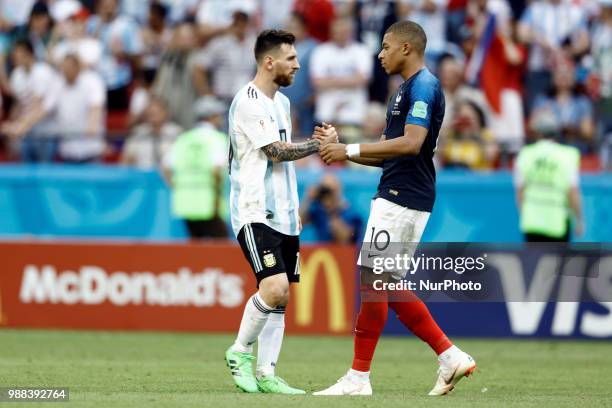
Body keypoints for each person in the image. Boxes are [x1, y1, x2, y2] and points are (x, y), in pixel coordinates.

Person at [314, 21, 475, 396]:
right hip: (400, 192)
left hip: (404, 197)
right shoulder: (404, 91)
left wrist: (348, 151)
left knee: (373, 285)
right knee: (385, 285)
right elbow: (389, 151)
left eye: (386, 46)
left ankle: (358, 378)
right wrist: (343, 148)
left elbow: (412, 144)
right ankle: (449, 356)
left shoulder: (424, 86)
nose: (379, 53)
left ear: (407, 48)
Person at [224, 29, 332, 395]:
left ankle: (268, 374)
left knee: (281, 298)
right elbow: (277, 152)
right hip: (255, 210)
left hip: (286, 214)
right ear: (269, 62)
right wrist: (319, 145)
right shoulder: (249, 100)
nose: (298, 65)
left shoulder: (282, 103)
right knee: (274, 287)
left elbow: (286, 152)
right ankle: (239, 352)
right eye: (291, 59)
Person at [514, 110, 584, 242]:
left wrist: (524, 215)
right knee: (557, 262)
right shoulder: (568, 155)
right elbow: (573, 191)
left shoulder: (525, 154)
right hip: (557, 223)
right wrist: (579, 219)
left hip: (531, 223)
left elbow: (519, 192)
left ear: (537, 132)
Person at [165, 96, 229, 239]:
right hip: (210, 204)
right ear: (212, 117)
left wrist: (177, 186)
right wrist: (217, 201)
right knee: (222, 250)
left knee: (195, 251)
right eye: (218, 115)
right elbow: (216, 170)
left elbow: (165, 167)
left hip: (186, 203)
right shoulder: (217, 138)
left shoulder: (184, 138)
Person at [300, 173, 363, 243]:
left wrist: (332, 211)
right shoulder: (319, 211)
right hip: (323, 252)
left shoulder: (352, 214)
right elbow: (298, 224)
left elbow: (345, 240)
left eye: (329, 191)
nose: (326, 195)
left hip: (345, 253)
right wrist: (308, 199)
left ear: (339, 190)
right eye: (324, 191)